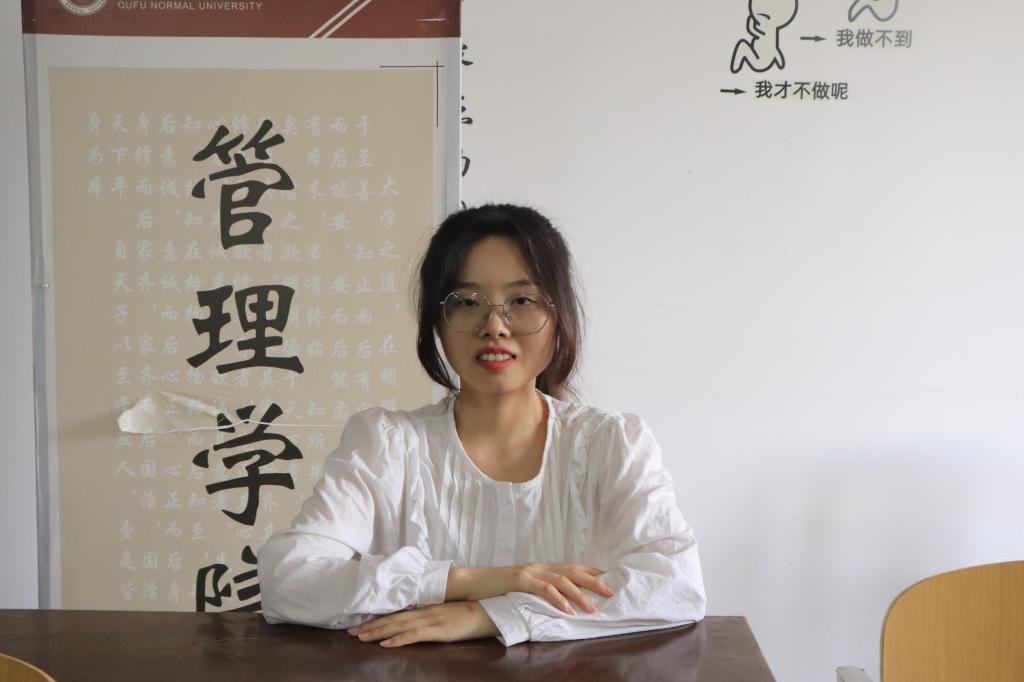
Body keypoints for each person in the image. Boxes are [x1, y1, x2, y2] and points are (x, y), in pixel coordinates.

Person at [257, 204, 706, 647]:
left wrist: (491, 614)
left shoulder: (610, 443)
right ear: (436, 321)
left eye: (522, 301)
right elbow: (288, 579)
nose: (494, 326)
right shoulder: (387, 443)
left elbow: (676, 584)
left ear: (560, 316)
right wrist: (468, 582)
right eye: (467, 303)